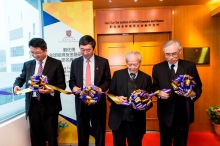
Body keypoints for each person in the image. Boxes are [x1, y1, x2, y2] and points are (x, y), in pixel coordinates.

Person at [13, 38, 66, 146]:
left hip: (50, 105)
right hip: (33, 105)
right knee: (35, 136)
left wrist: (51, 91)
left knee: (51, 136)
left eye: (37, 53)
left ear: (45, 50)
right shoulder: (28, 64)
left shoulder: (56, 63)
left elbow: (61, 85)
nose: (35, 55)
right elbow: (21, 78)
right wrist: (16, 85)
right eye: (32, 52)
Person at [152, 40, 202, 146]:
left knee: (181, 143)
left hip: (183, 113)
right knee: (165, 142)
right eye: (167, 54)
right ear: (164, 53)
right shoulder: (157, 68)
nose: (171, 57)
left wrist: (193, 94)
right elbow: (154, 87)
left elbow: (198, 87)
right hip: (165, 113)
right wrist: (159, 93)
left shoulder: (189, 66)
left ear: (179, 51)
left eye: (174, 54)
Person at [69, 35, 111, 146]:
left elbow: (107, 81)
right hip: (81, 102)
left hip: (98, 103)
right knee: (82, 131)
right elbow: (71, 80)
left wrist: (100, 89)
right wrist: (73, 87)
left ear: (93, 48)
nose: (85, 53)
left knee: (99, 131)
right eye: (82, 49)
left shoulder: (103, 62)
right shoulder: (75, 62)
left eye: (88, 50)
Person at [108, 51, 152, 146]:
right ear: (126, 63)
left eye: (135, 64)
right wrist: (117, 99)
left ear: (140, 63)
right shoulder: (117, 75)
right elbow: (109, 94)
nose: (132, 67)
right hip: (119, 120)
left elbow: (150, 101)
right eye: (130, 64)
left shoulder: (146, 78)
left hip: (136, 121)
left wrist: (142, 105)